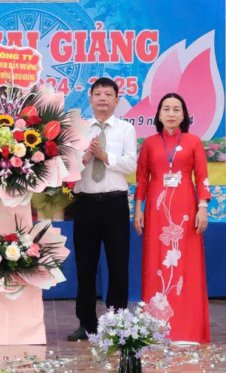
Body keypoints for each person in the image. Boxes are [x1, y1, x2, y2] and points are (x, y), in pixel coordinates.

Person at [134, 93, 211, 344]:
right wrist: (138, 208)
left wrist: (202, 207)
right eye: (166, 109)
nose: (171, 113)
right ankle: (155, 328)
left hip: (185, 208)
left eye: (176, 109)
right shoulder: (149, 143)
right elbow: (141, 178)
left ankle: (187, 329)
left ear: (184, 115)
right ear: (158, 115)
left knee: (186, 263)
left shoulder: (193, 141)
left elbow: (202, 177)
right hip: (156, 211)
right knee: (156, 260)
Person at [68, 78, 138, 342]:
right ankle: (86, 324)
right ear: (90, 99)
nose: (102, 98)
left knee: (118, 265)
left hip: (115, 203)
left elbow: (130, 164)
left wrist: (105, 156)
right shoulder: (78, 130)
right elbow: (67, 167)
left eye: (108, 94)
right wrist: (87, 156)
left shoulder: (126, 129)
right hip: (85, 203)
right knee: (85, 267)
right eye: (98, 94)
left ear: (117, 101)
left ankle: (118, 323)